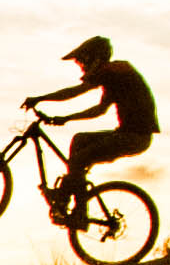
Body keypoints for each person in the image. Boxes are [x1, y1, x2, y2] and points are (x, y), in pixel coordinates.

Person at [29, 34, 157, 221]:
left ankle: (77, 211)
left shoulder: (114, 70)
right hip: (130, 135)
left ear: (94, 58)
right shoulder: (116, 78)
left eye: (83, 61)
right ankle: (69, 197)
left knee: (79, 159)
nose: (82, 67)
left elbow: (76, 91)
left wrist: (40, 98)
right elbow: (99, 110)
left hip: (134, 136)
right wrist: (66, 118)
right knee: (79, 141)